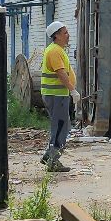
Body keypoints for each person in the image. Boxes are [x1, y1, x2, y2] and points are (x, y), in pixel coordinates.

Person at [41, 21, 81, 170]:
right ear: (56, 35)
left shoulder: (57, 50)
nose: (68, 35)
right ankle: (53, 161)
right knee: (61, 127)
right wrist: (72, 90)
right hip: (56, 95)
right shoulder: (55, 51)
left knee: (60, 126)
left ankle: (49, 155)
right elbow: (61, 74)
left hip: (57, 95)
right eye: (65, 33)